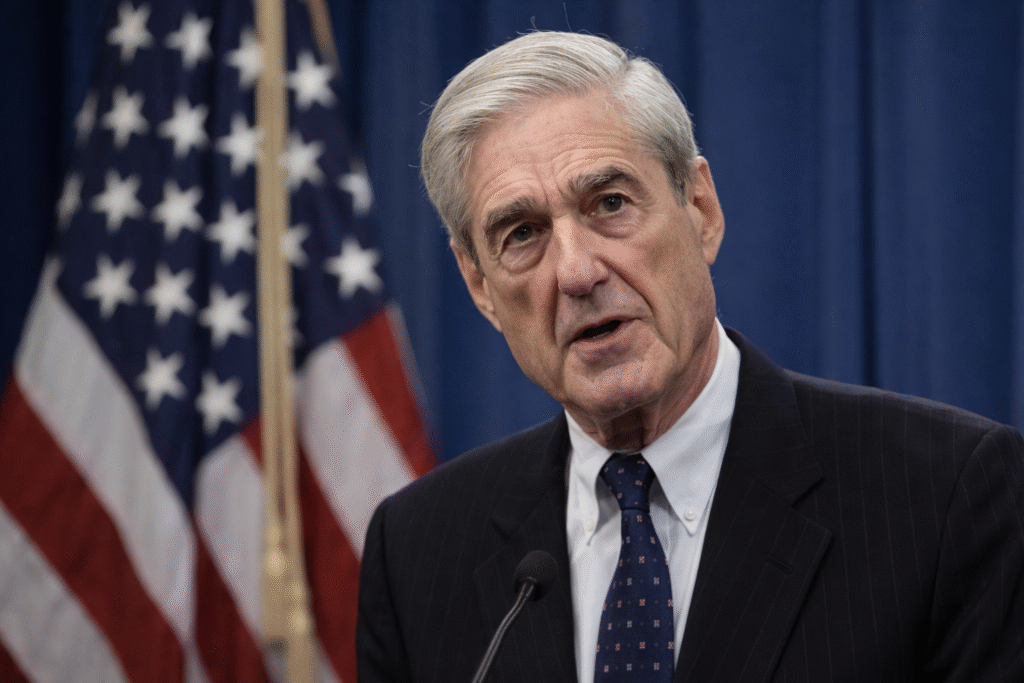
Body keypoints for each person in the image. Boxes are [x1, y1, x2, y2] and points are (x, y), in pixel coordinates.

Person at [356, 31, 1024, 683]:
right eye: (522, 233)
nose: (577, 271)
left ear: (700, 208)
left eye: (610, 203)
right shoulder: (417, 548)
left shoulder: (942, 496)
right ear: (480, 286)